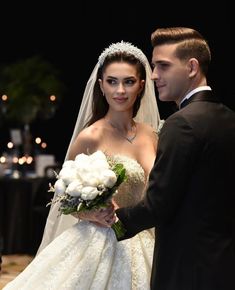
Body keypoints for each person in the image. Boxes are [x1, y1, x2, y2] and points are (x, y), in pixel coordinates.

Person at [3, 41, 163, 289]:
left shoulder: (151, 134)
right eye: (112, 81)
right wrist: (91, 212)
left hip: (144, 238)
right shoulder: (91, 136)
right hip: (98, 240)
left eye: (129, 82)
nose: (120, 90)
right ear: (101, 85)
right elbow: (63, 198)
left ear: (141, 85)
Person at [104, 27, 235, 290]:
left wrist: (114, 223)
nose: (153, 76)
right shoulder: (229, 118)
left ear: (192, 67)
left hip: (187, 268)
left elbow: (158, 205)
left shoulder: (182, 123)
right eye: (153, 66)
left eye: (163, 66)